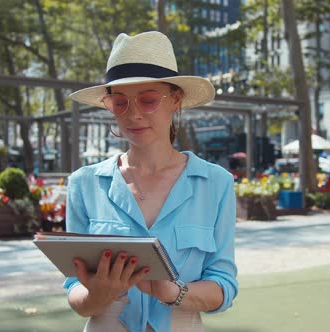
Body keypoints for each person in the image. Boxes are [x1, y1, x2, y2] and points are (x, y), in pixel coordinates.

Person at [64, 31, 238, 331]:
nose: (133, 115)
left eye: (147, 100)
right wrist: (97, 295)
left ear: (176, 100)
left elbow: (223, 286)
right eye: (120, 103)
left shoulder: (216, 183)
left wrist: (172, 291)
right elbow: (73, 290)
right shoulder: (84, 184)